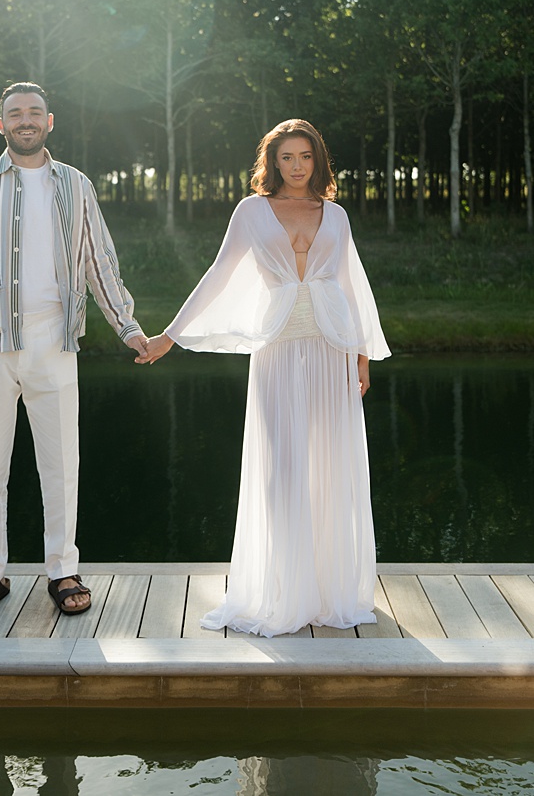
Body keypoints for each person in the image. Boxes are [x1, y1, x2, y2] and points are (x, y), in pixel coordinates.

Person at [137, 119, 390, 636]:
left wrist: (362, 355)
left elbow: (350, 284)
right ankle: (281, 589)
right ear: (272, 163)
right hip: (277, 351)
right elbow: (218, 273)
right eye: (286, 158)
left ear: (318, 160)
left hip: (331, 349)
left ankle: (328, 591)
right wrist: (170, 334)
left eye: (304, 157)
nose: (296, 167)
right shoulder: (251, 212)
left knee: (329, 464)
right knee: (282, 468)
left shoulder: (335, 215)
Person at [0, 82, 147, 620]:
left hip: (55, 343)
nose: (25, 120)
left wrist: (128, 328)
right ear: (0, 124)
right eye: (14, 113)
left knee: (61, 463)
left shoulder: (75, 185)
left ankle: (62, 569)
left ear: (51, 121)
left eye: (34, 112)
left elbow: (99, 262)